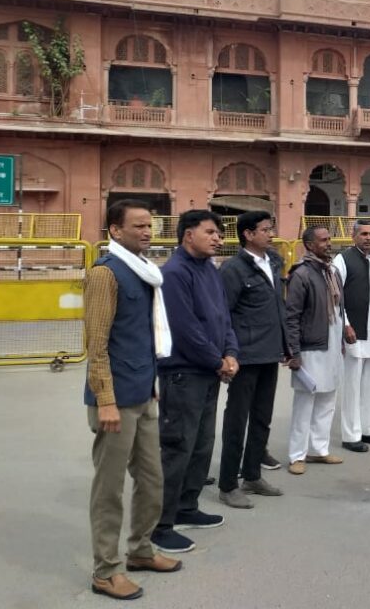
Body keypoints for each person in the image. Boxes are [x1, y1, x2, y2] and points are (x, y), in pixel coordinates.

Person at [84, 200, 180, 600]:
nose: (147, 231)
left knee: (152, 479)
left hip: (143, 392)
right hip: (116, 399)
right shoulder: (105, 274)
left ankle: (140, 550)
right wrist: (105, 400)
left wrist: (151, 383)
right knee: (109, 488)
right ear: (114, 230)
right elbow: (97, 344)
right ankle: (106, 571)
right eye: (138, 225)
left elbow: (144, 336)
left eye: (150, 225)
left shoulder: (144, 270)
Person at [152, 210, 238, 554]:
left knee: (202, 444)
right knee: (177, 447)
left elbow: (224, 318)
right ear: (188, 235)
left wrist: (231, 352)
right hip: (184, 374)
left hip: (209, 371)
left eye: (219, 233)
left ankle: (187, 507)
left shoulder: (210, 270)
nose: (218, 238)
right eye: (211, 232)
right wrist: (218, 362)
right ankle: (160, 524)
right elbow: (185, 329)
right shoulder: (174, 273)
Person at [216, 210, 286, 508]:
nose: (271, 234)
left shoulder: (273, 262)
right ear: (248, 234)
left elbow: (278, 307)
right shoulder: (233, 269)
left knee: (262, 417)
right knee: (237, 419)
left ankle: (253, 475)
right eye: (265, 230)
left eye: (271, 229)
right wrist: (228, 353)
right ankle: (228, 484)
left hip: (270, 352)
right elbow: (223, 314)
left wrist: (287, 346)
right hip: (245, 355)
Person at [285, 225, 345, 474]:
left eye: (329, 239)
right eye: (323, 240)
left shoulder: (331, 271)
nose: (328, 243)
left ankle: (319, 449)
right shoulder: (301, 274)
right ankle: (297, 455)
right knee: (305, 401)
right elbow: (291, 316)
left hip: (332, 343)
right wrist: (294, 352)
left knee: (328, 397)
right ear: (309, 245)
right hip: (311, 346)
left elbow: (340, 309)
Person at [333, 219, 370, 452]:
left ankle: (367, 428)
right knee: (352, 386)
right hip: (355, 331)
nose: (368, 238)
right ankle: (351, 435)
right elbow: (336, 297)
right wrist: (345, 324)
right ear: (354, 236)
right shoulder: (343, 259)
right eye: (363, 234)